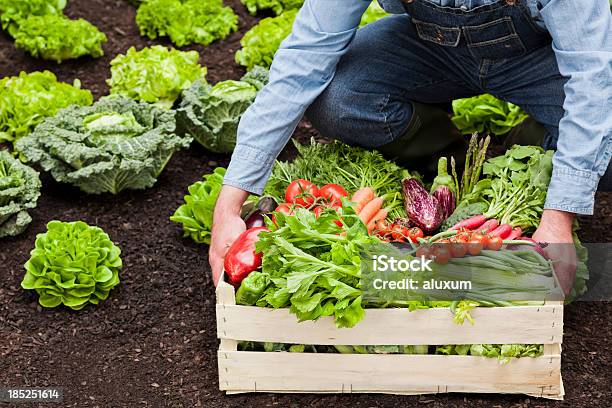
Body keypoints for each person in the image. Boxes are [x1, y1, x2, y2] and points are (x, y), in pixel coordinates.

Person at [210, 0, 612, 293]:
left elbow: (592, 81)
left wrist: (559, 217)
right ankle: (443, 154)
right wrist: (229, 204)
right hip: (432, 50)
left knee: (605, 149)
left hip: (538, 57)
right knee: (341, 99)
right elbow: (304, 57)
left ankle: (533, 151)